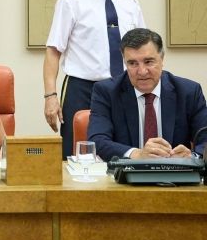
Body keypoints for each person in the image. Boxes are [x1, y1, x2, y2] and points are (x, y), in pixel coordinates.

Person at [44, 0, 146, 158]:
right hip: (82, 88)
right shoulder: (71, 0)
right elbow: (53, 50)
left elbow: (143, 51)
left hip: (123, 88)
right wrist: (50, 96)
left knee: (124, 151)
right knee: (76, 152)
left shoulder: (131, 4)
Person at [88, 28, 207, 161]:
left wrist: (192, 157)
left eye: (149, 62)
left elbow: (205, 139)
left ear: (162, 59)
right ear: (125, 62)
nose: (142, 71)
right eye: (132, 63)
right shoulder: (106, 92)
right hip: (127, 172)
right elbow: (97, 141)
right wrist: (136, 154)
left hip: (177, 171)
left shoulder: (188, 92)